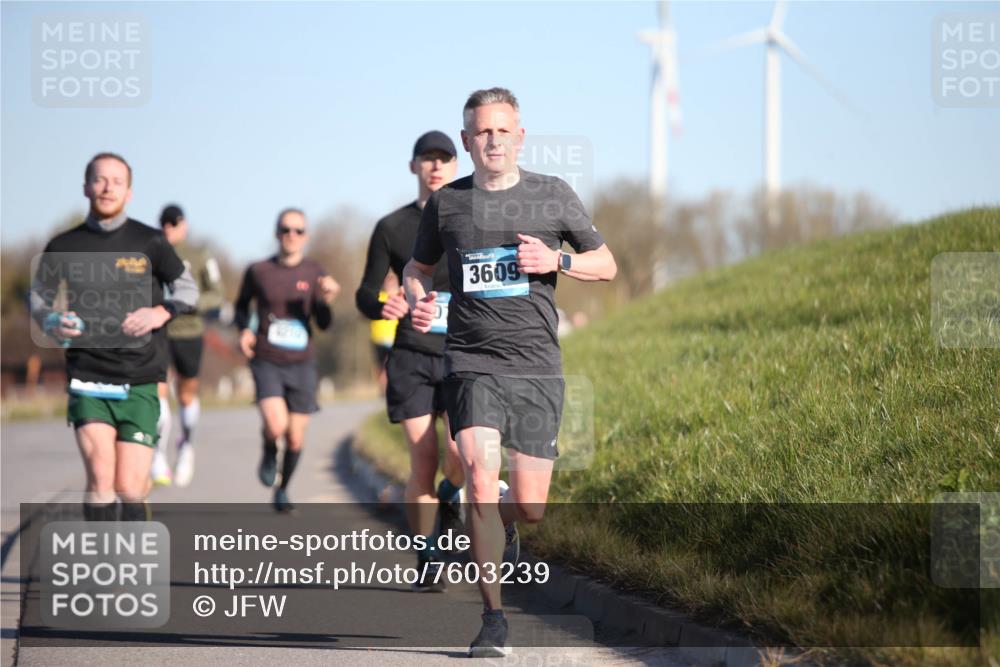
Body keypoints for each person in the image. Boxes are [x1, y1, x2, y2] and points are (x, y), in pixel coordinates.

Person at [403, 88, 617, 656]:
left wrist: (556, 260)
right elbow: (416, 268)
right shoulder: (446, 204)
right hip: (471, 362)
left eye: (503, 130)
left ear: (520, 136)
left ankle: (502, 517)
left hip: (536, 366)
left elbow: (607, 264)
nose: (492, 140)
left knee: (531, 505)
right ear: (467, 139)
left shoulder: (553, 194)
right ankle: (493, 618)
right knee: (477, 474)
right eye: (482, 131)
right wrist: (419, 298)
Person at [31, 152, 198, 521]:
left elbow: (188, 290)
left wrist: (159, 312)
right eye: (100, 180)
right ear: (86, 187)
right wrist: (51, 319)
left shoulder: (151, 241)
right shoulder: (64, 245)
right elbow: (38, 296)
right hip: (88, 376)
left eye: (117, 182)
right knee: (101, 478)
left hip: (140, 377)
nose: (108, 188)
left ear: (129, 192)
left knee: (130, 486)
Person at [356, 131, 465, 592]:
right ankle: (427, 555)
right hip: (412, 357)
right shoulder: (391, 226)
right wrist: (385, 304)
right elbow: (365, 293)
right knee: (423, 458)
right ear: (413, 166)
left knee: (461, 456)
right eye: (427, 158)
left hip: (462, 354)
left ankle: (450, 495)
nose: (436, 166)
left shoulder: (470, 218)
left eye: (444, 158)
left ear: (456, 165)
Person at [234, 208, 340, 512]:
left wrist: (326, 300)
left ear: (306, 236)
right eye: (285, 229)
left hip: (302, 362)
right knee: (276, 424)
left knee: (295, 437)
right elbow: (241, 306)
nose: (291, 235)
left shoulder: (315, 271)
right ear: (276, 233)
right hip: (266, 359)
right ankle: (269, 446)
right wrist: (244, 329)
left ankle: (282, 489)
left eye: (298, 230)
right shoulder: (258, 270)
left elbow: (324, 324)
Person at [147, 204, 224, 488]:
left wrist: (189, 302)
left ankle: (186, 445)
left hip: (190, 332)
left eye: (174, 223)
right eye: (164, 223)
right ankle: (157, 454)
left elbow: (216, 294)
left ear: (184, 225)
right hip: (158, 331)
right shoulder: (150, 252)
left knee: (187, 394)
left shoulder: (200, 255)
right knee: (158, 395)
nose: (169, 228)